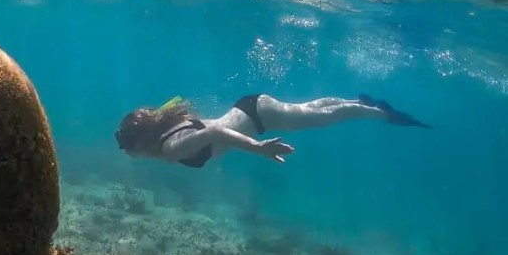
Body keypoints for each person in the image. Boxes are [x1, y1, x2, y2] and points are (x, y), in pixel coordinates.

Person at [114, 93, 432, 167]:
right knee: (309, 111)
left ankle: (377, 112)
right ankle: (357, 101)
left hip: (258, 117)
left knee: (320, 118)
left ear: (142, 139)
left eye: (125, 140)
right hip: (250, 108)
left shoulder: (170, 149)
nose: (124, 148)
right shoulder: (167, 126)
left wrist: (258, 148)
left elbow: (215, 134)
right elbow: (210, 128)